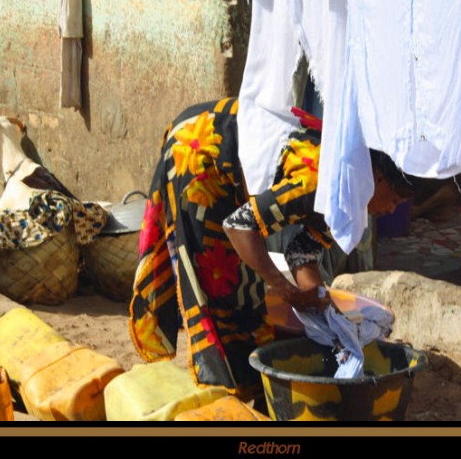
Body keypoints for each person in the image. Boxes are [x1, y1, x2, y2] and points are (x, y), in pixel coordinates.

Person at [128, 97, 414, 400]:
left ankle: (248, 383)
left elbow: (301, 252)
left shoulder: (349, 194)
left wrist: (323, 308)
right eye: (394, 200)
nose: (390, 210)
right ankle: (222, 393)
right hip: (199, 149)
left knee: (246, 290)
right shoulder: (320, 178)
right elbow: (239, 226)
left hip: (227, 162)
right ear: (377, 178)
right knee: (218, 284)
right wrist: (283, 288)